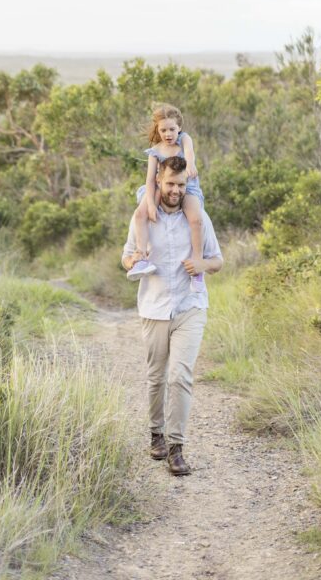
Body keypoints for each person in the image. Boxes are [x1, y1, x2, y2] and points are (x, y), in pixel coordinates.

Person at [121, 155, 223, 476]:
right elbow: (126, 257)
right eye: (170, 184)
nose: (176, 190)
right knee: (156, 377)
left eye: (181, 185)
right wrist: (134, 258)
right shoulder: (143, 218)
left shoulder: (198, 218)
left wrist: (202, 265)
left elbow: (217, 259)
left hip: (189, 307)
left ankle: (177, 448)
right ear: (158, 183)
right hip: (153, 308)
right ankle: (156, 435)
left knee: (180, 375)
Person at [127, 104, 205, 293]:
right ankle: (142, 258)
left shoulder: (184, 140)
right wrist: (152, 204)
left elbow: (189, 154)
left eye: (172, 129)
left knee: (196, 219)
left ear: (179, 127)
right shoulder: (155, 150)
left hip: (186, 184)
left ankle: (198, 266)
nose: (168, 134)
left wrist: (190, 164)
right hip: (160, 185)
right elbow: (150, 179)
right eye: (163, 130)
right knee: (140, 214)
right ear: (158, 130)